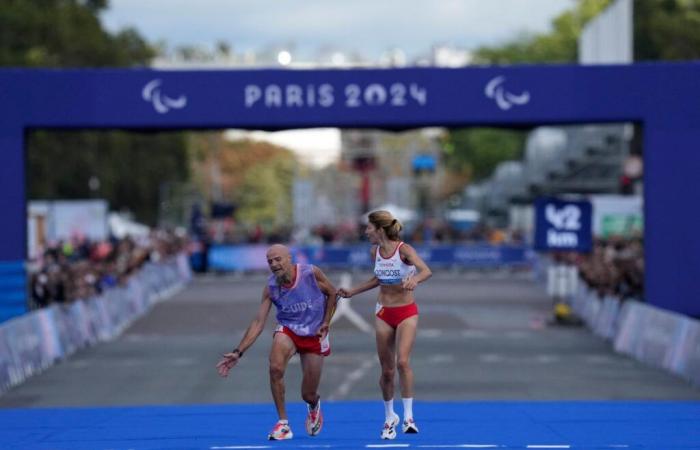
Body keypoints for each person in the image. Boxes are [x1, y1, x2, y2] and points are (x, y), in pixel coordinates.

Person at [216, 244, 338, 440]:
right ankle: (283, 424)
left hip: (315, 333)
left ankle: (314, 405)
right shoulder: (271, 287)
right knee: (275, 368)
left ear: (290, 258)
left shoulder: (310, 273)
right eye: (270, 261)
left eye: (278, 259)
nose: (274, 264)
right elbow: (258, 323)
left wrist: (326, 322)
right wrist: (238, 352)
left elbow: (333, 293)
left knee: (308, 393)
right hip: (288, 329)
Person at [338, 210, 432, 440]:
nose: (365, 231)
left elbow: (426, 271)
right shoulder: (375, 252)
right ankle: (390, 417)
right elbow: (378, 279)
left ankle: (408, 417)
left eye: (368, 228)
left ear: (379, 229)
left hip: (406, 311)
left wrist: (414, 280)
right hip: (383, 312)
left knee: (402, 362)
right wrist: (353, 291)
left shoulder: (404, 250)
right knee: (387, 370)